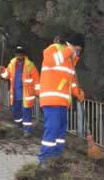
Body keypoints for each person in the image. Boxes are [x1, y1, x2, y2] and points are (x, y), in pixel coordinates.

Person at [38, 33, 85, 166]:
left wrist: (78, 92)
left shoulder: (70, 62)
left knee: (60, 129)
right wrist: (69, 51)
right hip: (51, 99)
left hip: (63, 102)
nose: (78, 53)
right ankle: (45, 159)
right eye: (78, 49)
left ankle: (57, 155)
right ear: (72, 46)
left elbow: (71, 82)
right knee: (52, 128)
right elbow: (50, 61)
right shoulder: (53, 49)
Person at [0, 46, 40, 137]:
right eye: (17, 55)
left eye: (20, 55)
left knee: (26, 113)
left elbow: (37, 80)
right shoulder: (12, 64)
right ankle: (19, 124)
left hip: (27, 95)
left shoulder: (30, 65)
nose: (18, 57)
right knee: (15, 111)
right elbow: (6, 75)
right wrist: (2, 71)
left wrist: (37, 92)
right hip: (15, 94)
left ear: (24, 55)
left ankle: (27, 131)